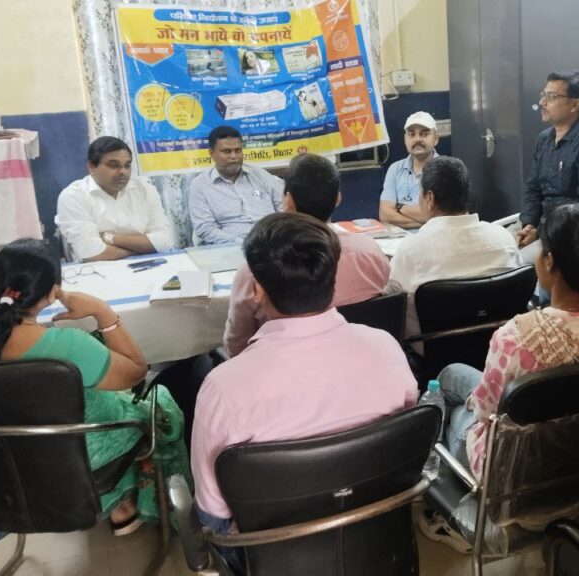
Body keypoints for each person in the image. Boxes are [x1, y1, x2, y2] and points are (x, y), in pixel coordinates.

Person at [0, 239, 189, 535]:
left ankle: (120, 504)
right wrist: (102, 312)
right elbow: (136, 372)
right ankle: (149, 507)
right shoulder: (69, 346)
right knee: (159, 407)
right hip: (63, 463)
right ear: (53, 293)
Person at [191, 212, 417, 537]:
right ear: (332, 281)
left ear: (258, 290)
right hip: (375, 533)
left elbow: (213, 513)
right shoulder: (388, 350)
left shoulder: (224, 390)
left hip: (271, 551)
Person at [438, 205, 579, 476]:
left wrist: (471, 402)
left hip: (514, 473)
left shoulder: (516, 338)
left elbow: (485, 413)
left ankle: (435, 474)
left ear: (549, 261)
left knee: (450, 396)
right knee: (455, 375)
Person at [223, 153, 390, 356]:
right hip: (360, 358)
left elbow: (237, 346)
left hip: (281, 367)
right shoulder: (370, 252)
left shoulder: (257, 267)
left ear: (288, 200)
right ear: (338, 199)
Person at [385, 156, 522, 346]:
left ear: (429, 198)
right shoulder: (504, 240)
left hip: (432, 355)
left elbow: (390, 301)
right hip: (496, 349)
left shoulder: (410, 252)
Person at [517, 70, 579, 251]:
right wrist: (529, 224)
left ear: (575, 104)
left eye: (551, 97)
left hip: (569, 234)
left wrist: (540, 232)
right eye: (543, 95)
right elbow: (533, 189)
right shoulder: (543, 139)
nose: (542, 102)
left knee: (517, 260)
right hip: (538, 227)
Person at [56, 137, 174, 261]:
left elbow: (165, 241)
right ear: (91, 167)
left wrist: (110, 237)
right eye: (113, 165)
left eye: (127, 165)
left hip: (149, 264)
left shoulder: (145, 190)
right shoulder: (73, 196)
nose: (123, 172)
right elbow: (92, 254)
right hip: (97, 269)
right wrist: (143, 247)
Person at [188, 125, 285, 245]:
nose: (234, 156)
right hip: (230, 247)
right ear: (211, 153)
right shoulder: (200, 185)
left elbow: (284, 209)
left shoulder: (259, 175)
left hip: (272, 243)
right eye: (227, 151)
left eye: (238, 150)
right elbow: (206, 229)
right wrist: (243, 244)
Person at [378, 111, 440, 229]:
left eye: (424, 134)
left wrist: (400, 207)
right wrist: (425, 222)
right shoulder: (395, 169)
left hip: (434, 237)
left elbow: (441, 216)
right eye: (412, 134)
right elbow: (385, 215)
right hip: (399, 239)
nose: (417, 139)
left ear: (436, 139)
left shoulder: (445, 170)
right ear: (405, 139)